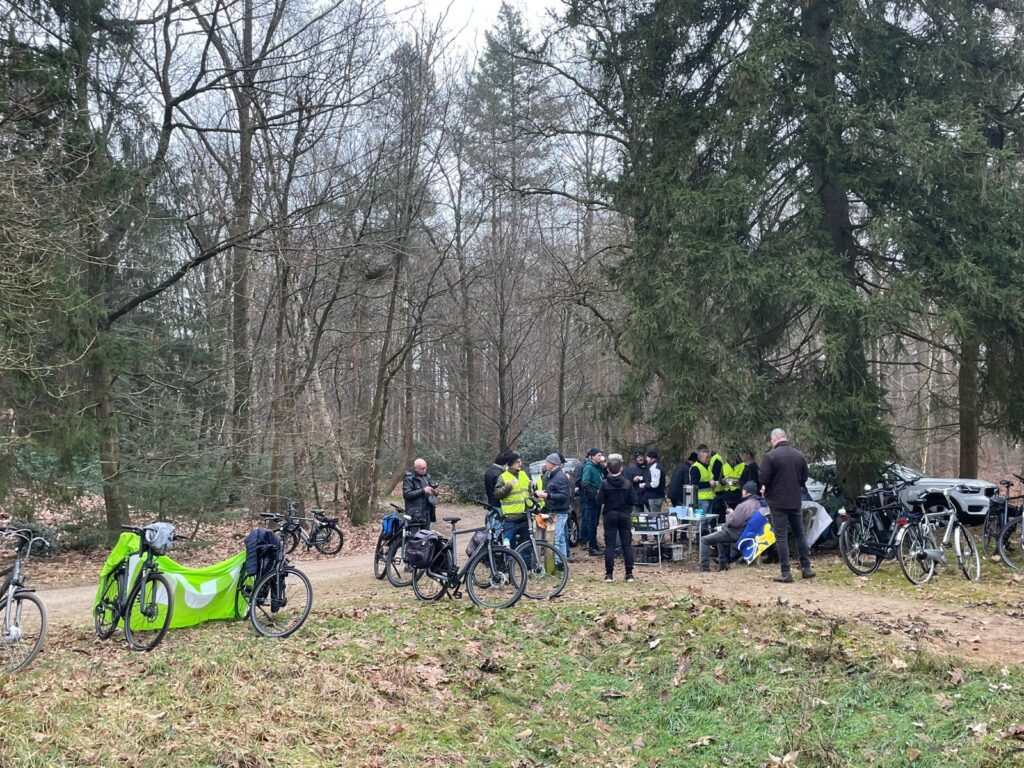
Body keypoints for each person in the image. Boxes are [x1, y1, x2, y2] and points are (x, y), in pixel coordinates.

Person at [759, 428, 814, 583]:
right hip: (795, 500)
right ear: (785, 437)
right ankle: (807, 568)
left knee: (781, 536)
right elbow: (804, 477)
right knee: (800, 533)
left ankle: (786, 572)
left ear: (774, 439)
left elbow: (764, 478)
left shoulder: (770, 457)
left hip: (777, 502)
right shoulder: (799, 455)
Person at [698, 481, 760, 572]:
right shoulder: (760, 504)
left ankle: (704, 568)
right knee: (720, 529)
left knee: (704, 540)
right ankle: (723, 563)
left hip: (737, 534)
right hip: (749, 533)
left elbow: (733, 523)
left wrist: (730, 515)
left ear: (745, 492)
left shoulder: (743, 506)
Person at [598, 454, 639, 582]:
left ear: (608, 469)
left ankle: (609, 574)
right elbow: (634, 500)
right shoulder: (627, 483)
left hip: (610, 515)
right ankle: (629, 574)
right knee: (627, 544)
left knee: (609, 545)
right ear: (621, 469)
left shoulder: (604, 484)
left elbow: (598, 501)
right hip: (624, 515)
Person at [535, 453, 571, 561]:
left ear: (552, 464)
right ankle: (562, 560)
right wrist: (544, 492)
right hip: (557, 510)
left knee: (556, 538)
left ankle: (557, 562)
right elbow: (555, 490)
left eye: (547, 462)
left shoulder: (559, 477)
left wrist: (547, 495)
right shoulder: (554, 475)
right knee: (561, 539)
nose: (545, 464)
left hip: (559, 511)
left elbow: (564, 496)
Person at [494, 452, 531, 550]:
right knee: (509, 543)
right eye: (517, 462)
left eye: (520, 461)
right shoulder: (503, 477)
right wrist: (508, 486)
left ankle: (526, 565)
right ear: (511, 463)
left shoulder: (523, 474)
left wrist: (532, 486)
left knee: (526, 543)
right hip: (510, 517)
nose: (520, 464)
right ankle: (509, 564)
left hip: (524, 514)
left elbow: (528, 491)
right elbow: (497, 494)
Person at [580, 448, 605, 556]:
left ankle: (594, 545)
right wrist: (595, 494)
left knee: (595, 523)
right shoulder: (589, 468)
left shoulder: (599, 467)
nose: (600, 457)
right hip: (591, 499)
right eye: (598, 455)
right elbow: (585, 483)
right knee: (592, 523)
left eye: (601, 455)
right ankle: (592, 547)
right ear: (592, 456)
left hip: (598, 499)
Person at [403, 458, 438, 529]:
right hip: (414, 513)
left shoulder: (427, 477)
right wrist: (423, 490)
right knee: (414, 537)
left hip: (427, 512)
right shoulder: (409, 478)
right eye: (422, 468)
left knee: (427, 536)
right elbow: (407, 494)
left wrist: (434, 492)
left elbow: (429, 492)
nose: (424, 470)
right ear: (416, 468)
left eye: (425, 468)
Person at [689, 445, 717, 517]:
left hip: (709, 497)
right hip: (701, 499)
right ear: (700, 457)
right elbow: (694, 484)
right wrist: (709, 483)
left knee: (707, 520)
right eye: (706, 457)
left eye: (709, 457)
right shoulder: (695, 468)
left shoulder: (707, 467)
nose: (709, 459)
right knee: (702, 521)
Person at [639, 448, 665, 514]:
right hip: (658, 496)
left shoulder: (655, 467)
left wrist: (644, 485)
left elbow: (654, 484)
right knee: (656, 516)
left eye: (647, 457)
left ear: (651, 458)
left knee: (655, 517)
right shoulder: (659, 465)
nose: (646, 459)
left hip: (655, 497)